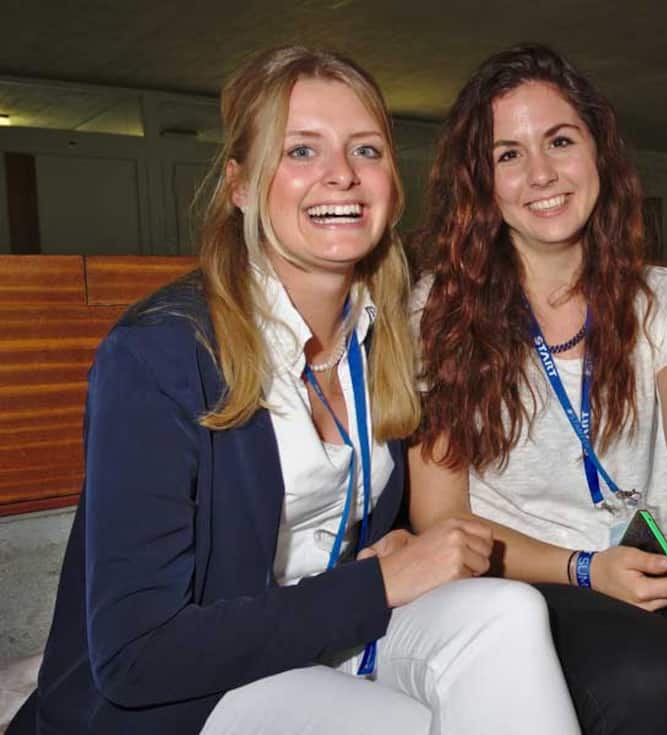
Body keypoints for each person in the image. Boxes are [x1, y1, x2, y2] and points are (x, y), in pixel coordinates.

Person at [29, 46, 579, 735]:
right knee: (393, 724)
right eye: (301, 151)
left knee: (507, 612)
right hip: (175, 692)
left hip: (320, 632)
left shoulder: (391, 334)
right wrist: (374, 584)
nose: (342, 175)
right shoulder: (160, 351)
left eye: (366, 150)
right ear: (240, 186)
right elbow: (137, 654)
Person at [409, 44, 667, 735]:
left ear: (597, 150)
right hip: (525, 584)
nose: (540, 172)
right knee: (651, 684)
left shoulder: (659, 296)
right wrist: (583, 567)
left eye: (559, 140)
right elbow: (438, 514)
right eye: (507, 154)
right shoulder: (437, 310)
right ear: (479, 181)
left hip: (661, 567)